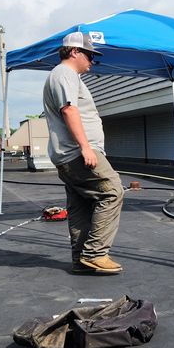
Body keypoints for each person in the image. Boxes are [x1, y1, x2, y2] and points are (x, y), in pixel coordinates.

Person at [43, 31, 124, 274]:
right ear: (75, 52)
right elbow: (69, 110)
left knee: (80, 206)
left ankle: (80, 261)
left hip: (67, 155)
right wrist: (86, 147)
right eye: (89, 55)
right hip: (78, 153)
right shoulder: (65, 74)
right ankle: (95, 254)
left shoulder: (63, 76)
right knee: (112, 192)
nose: (92, 61)